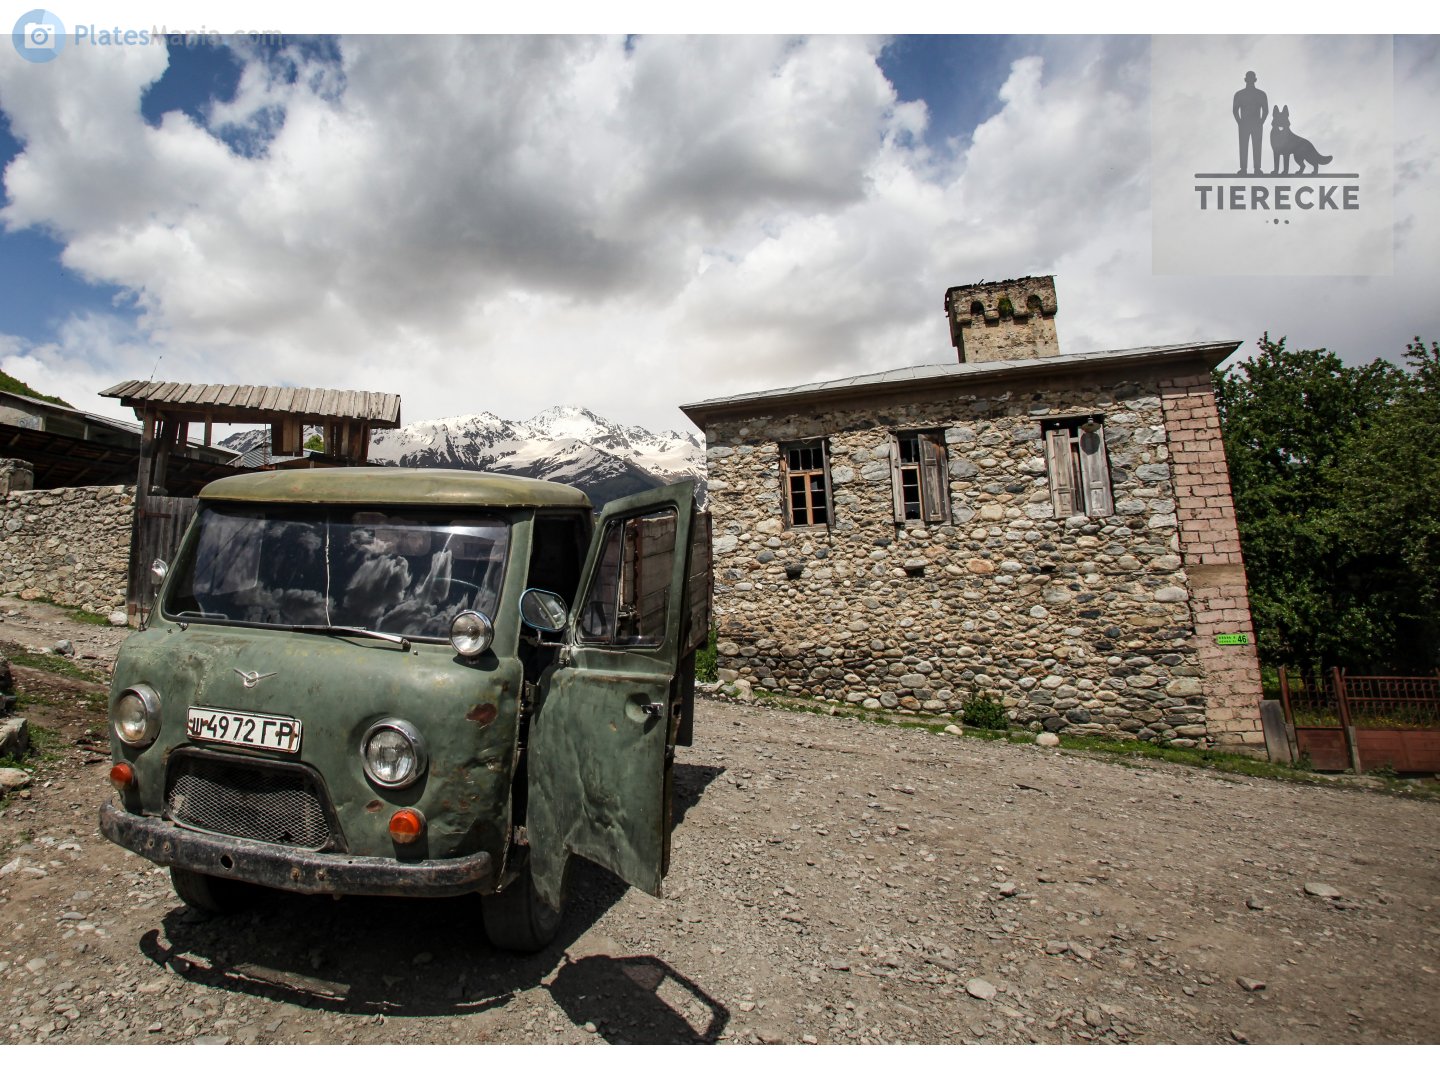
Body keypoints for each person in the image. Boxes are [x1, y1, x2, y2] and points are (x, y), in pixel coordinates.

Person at [1232, 71, 1268, 176]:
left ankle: (1256, 169)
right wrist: (1240, 122)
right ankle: (1244, 169)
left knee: (1256, 146)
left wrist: (1261, 122)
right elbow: (1235, 110)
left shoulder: (1260, 94)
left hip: (1254, 123)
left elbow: (1265, 110)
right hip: (1246, 123)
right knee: (1244, 146)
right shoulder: (1240, 94)